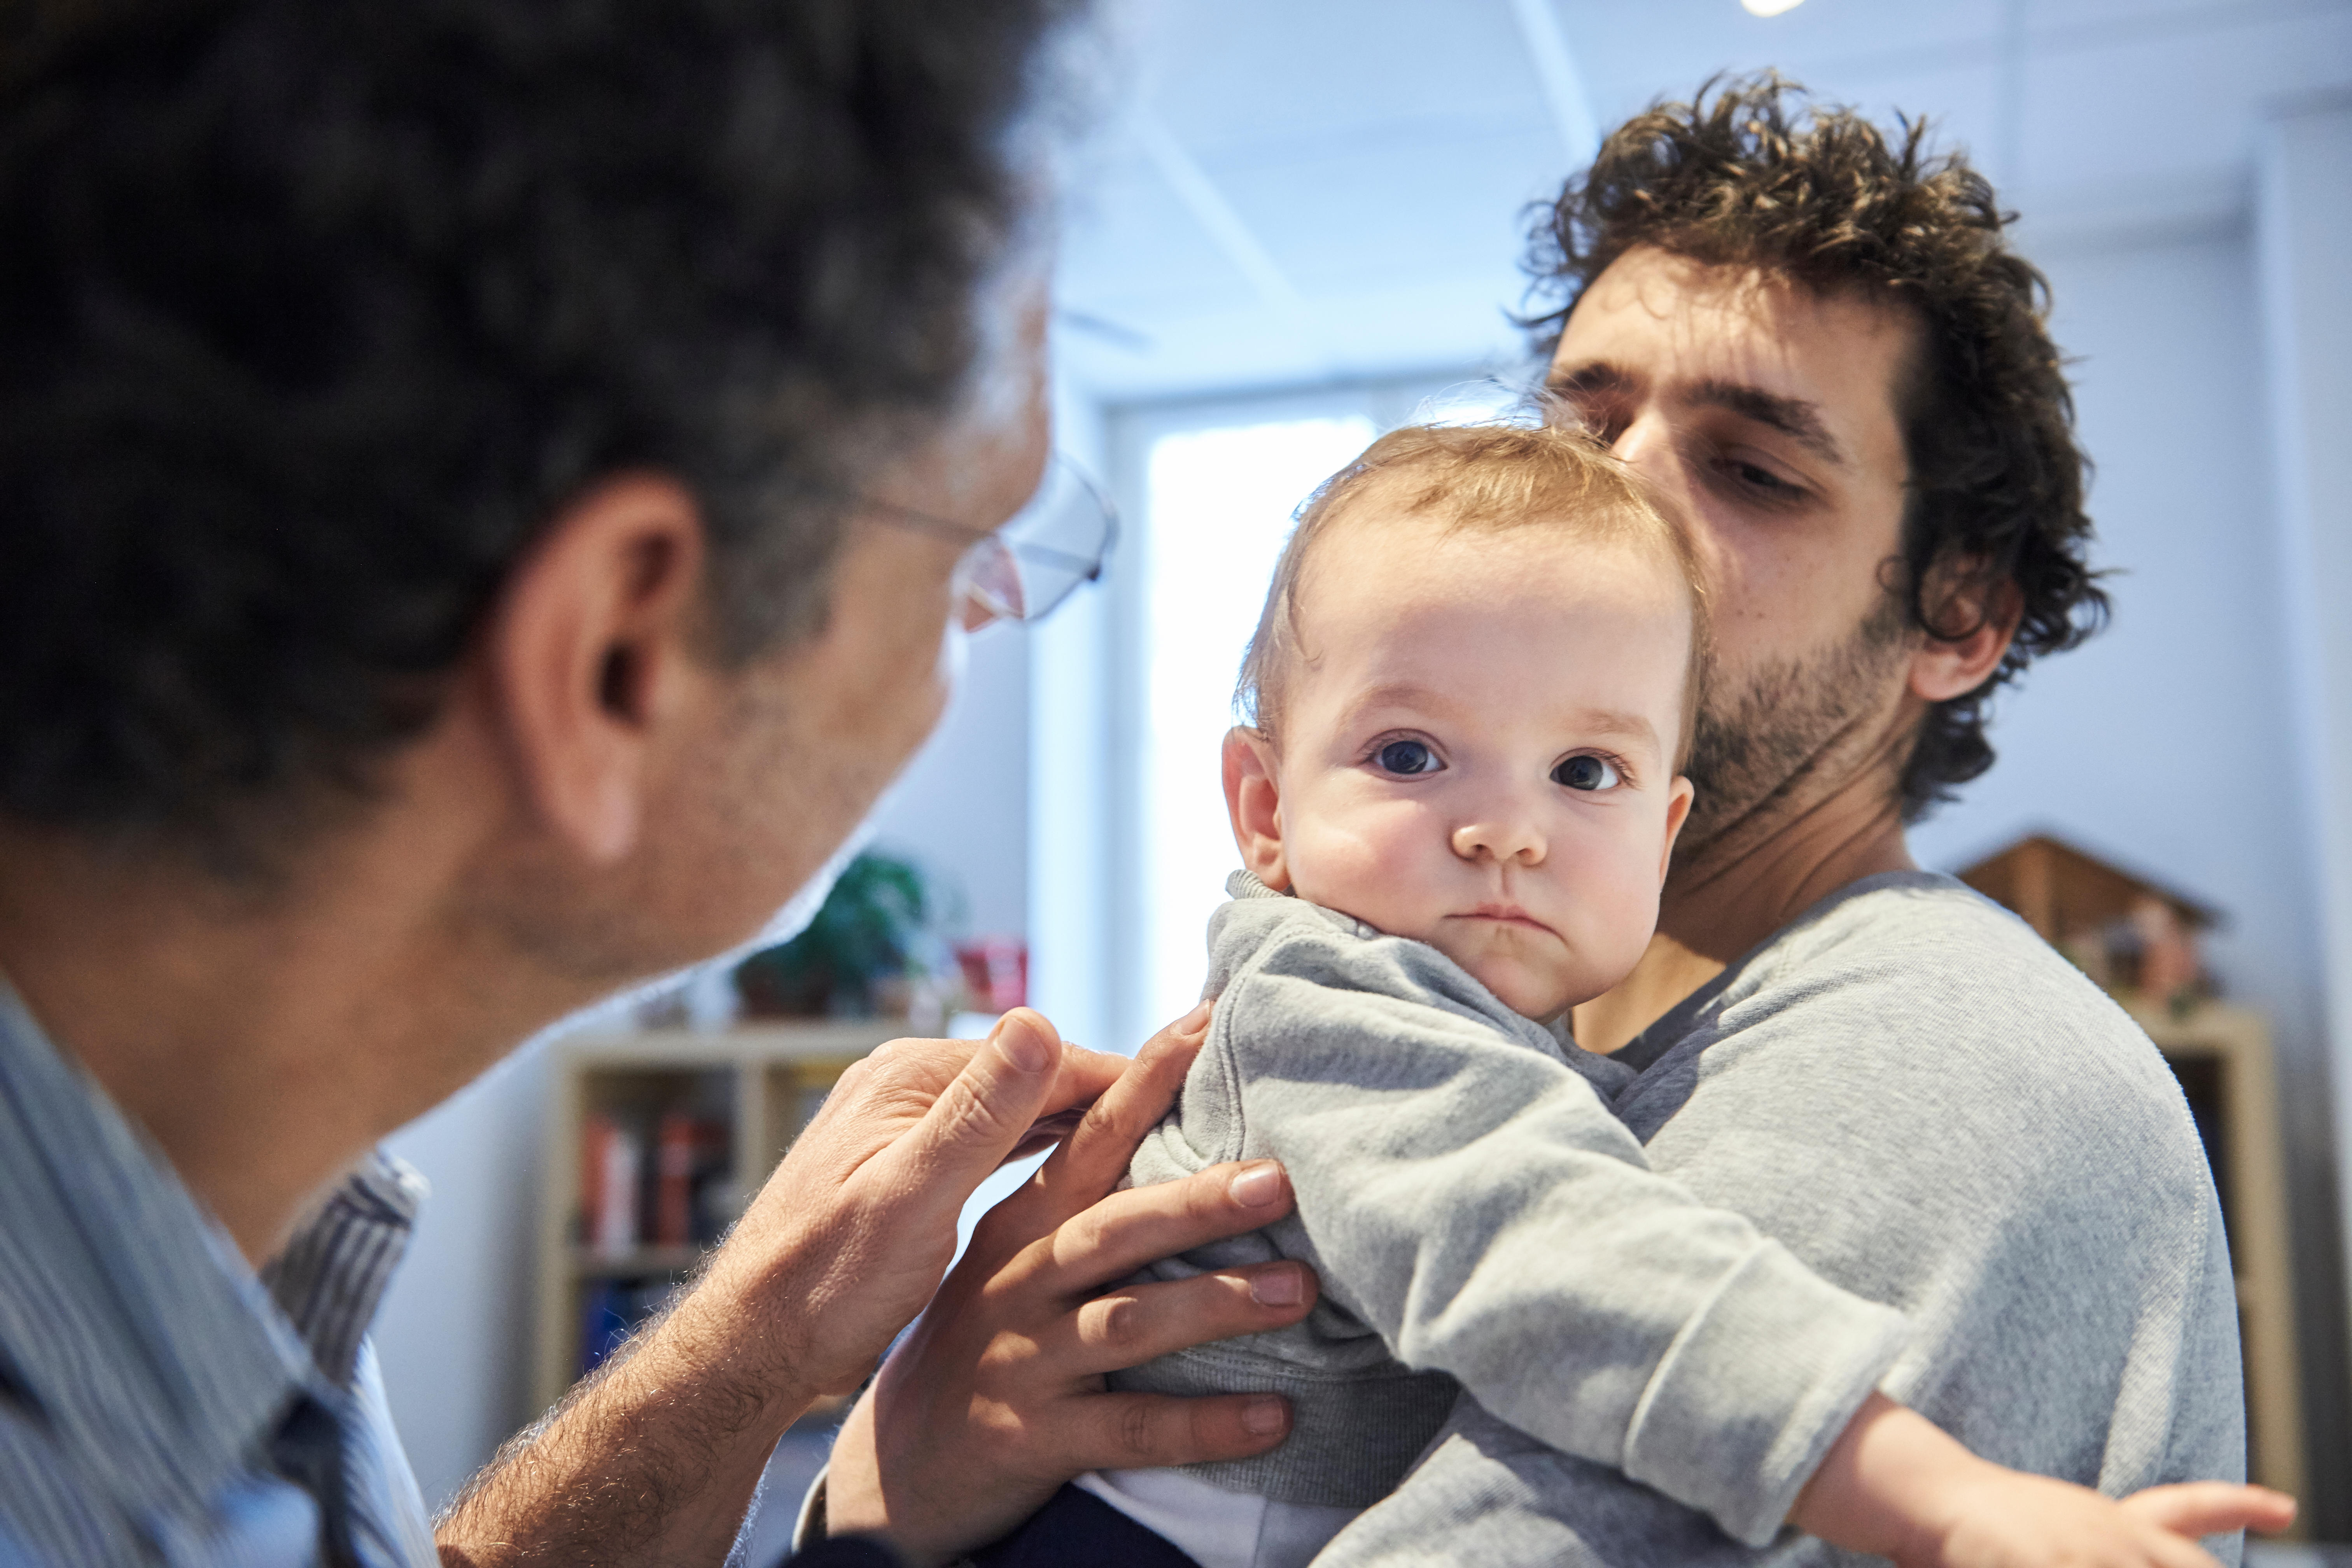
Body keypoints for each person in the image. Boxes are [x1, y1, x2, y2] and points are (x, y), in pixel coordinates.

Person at [822, 75, 2282, 1568]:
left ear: (1958, 611)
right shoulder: (1462, 990)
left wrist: (878, 1501)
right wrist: (911, 1467)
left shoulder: (1934, 1053)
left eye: (1752, 468)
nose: (1619, 496)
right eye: (1585, 422)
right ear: (1261, 802)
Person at [0, 2, 1332, 1563]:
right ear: (620, 657)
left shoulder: (212, 1214)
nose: (980, 618)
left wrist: (751, 1355)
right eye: (966, 552)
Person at [1011, 421, 2276, 1568]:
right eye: (1410, 755)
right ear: (1266, 808)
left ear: (1663, 831)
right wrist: (1934, 1494)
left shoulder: (1910, 1014)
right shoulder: (1327, 1002)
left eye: (1584, 768)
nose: (1505, 831)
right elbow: (1562, 1263)